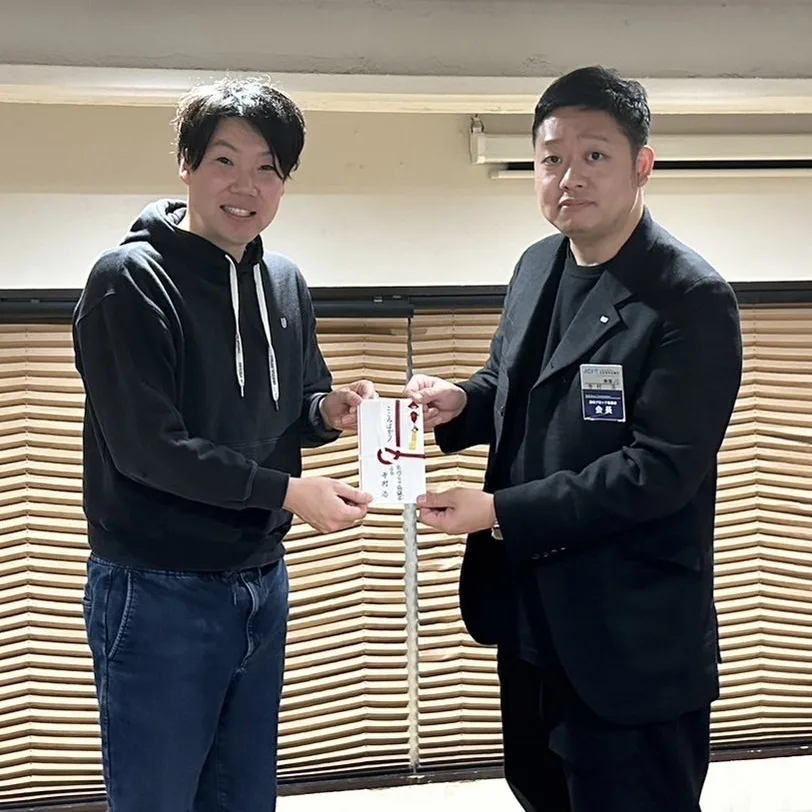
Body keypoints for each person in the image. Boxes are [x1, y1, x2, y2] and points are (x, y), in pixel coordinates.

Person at [407, 66, 743, 812]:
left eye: (595, 155)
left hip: (629, 639)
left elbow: (658, 471)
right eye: (552, 158)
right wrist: (460, 402)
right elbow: (511, 384)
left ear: (642, 165)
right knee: (541, 791)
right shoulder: (537, 265)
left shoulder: (689, 298)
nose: (570, 177)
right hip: (531, 620)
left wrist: (498, 511)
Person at [72, 78, 376, 812]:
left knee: (243, 796)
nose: (247, 187)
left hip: (261, 578)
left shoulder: (284, 280)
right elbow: (151, 448)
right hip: (158, 585)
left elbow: (299, 400)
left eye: (268, 168)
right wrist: (288, 493)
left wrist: (329, 411)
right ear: (186, 164)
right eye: (225, 161)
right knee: (159, 798)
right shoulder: (129, 281)